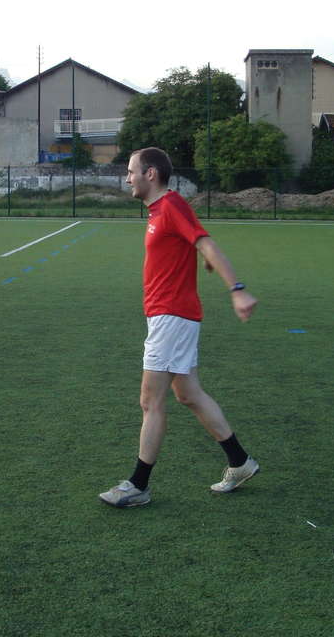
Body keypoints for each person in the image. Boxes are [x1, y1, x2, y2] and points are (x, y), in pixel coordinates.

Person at [99, 147, 259, 508]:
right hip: (170, 316)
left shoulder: (171, 205)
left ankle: (138, 485)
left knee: (150, 401)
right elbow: (193, 241)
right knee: (189, 394)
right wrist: (201, 258)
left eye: (131, 171)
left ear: (150, 173)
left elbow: (205, 241)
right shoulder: (160, 210)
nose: (127, 178)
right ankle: (239, 462)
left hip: (171, 316)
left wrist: (237, 290)